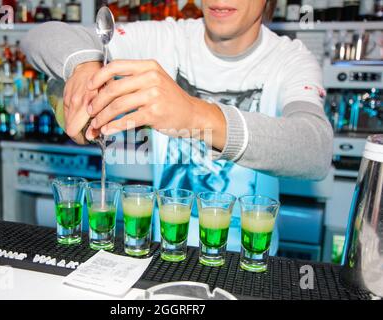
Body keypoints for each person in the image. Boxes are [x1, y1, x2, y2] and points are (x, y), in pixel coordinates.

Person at [21, 0, 333, 252]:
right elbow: (39, 37)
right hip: (164, 251)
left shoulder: (290, 59)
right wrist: (84, 64)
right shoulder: (164, 38)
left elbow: (314, 150)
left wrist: (196, 116)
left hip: (251, 260)